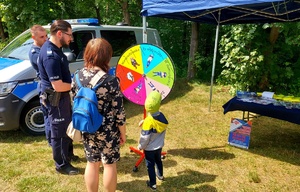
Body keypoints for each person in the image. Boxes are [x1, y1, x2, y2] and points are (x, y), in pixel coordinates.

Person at [70, 38, 126, 192]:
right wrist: (123, 133)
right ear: (107, 56)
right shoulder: (111, 80)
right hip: (108, 130)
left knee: (92, 163)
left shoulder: (76, 76)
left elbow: (74, 100)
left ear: (87, 54)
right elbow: (119, 111)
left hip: (87, 126)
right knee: (109, 164)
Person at [37, 20, 79, 175]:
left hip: (60, 96)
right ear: (60, 33)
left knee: (67, 125)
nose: (72, 38)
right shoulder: (51, 55)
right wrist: (77, 85)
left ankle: (68, 155)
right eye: (70, 34)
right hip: (56, 96)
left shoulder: (57, 49)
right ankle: (61, 165)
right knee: (59, 130)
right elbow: (58, 86)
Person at [137, 90, 168, 191]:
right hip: (159, 146)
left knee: (150, 165)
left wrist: (141, 146)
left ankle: (153, 184)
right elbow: (154, 120)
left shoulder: (148, 122)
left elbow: (145, 138)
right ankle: (161, 175)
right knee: (158, 161)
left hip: (149, 149)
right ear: (159, 104)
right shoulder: (162, 116)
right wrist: (145, 120)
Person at [28, 25, 50, 144]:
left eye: (46, 36)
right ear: (34, 37)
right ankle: (52, 142)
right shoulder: (35, 53)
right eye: (42, 37)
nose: (45, 39)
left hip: (47, 84)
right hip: (45, 86)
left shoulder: (44, 49)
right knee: (49, 116)